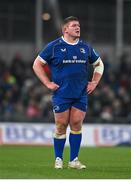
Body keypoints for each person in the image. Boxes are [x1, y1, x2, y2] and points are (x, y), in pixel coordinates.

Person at [32, 16, 104, 169]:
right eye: (74, 25)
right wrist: (47, 82)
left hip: (80, 93)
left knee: (76, 124)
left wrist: (94, 82)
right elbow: (37, 64)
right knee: (61, 125)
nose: (78, 28)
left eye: (78, 25)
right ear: (65, 29)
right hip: (61, 93)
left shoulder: (85, 47)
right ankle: (58, 158)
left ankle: (74, 160)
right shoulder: (54, 46)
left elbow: (99, 64)